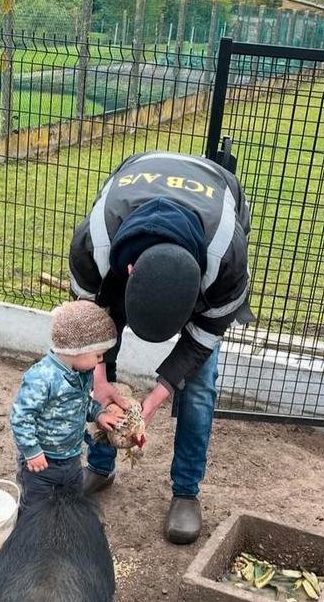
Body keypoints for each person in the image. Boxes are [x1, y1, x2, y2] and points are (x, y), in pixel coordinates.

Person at [69, 150, 253, 544]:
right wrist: (100, 382)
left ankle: (186, 492)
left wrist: (152, 402)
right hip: (136, 193)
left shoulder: (226, 261)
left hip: (211, 205)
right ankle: (100, 465)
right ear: (130, 270)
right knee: (98, 358)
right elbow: (88, 327)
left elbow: (203, 336)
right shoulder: (94, 242)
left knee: (199, 385)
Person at [10, 300, 123, 514]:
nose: (101, 361)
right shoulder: (43, 377)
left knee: (70, 505)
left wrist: (98, 413)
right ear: (77, 349)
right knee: (35, 509)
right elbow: (21, 417)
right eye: (98, 355)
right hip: (42, 464)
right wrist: (32, 451)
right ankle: (30, 541)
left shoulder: (82, 373)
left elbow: (81, 402)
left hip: (71, 460)